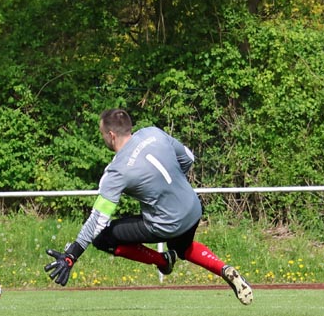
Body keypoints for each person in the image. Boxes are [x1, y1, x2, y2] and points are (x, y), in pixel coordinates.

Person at [44, 108, 253, 305]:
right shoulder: (153, 133)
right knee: (183, 247)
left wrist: (71, 255)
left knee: (102, 238)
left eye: (102, 134)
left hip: (167, 223)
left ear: (111, 135)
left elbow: (98, 220)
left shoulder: (116, 171)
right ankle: (223, 268)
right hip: (192, 209)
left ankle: (162, 260)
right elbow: (188, 158)